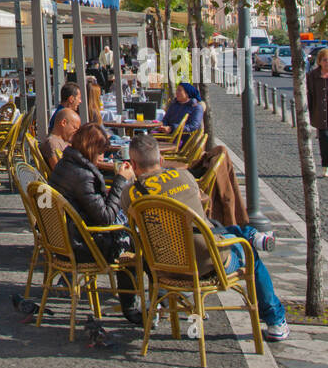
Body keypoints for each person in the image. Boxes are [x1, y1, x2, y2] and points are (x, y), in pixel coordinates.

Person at [123, 134, 288, 342]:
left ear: (133, 164)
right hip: (208, 264)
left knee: (197, 234)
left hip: (164, 269)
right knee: (247, 252)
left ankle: (250, 235)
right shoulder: (184, 177)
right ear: (162, 161)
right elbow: (203, 205)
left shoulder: (129, 193)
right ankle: (275, 322)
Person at [48, 122, 140, 322]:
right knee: (135, 243)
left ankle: (151, 300)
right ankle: (132, 308)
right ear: (91, 150)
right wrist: (120, 181)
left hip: (63, 239)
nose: (103, 157)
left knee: (133, 232)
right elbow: (105, 217)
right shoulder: (83, 176)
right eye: (100, 152)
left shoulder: (67, 164)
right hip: (83, 245)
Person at [306, 48, 328, 178]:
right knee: (324, 141)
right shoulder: (313, 76)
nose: (327, 63)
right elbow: (309, 95)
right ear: (319, 61)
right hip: (321, 115)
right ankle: (326, 165)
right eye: (324, 60)